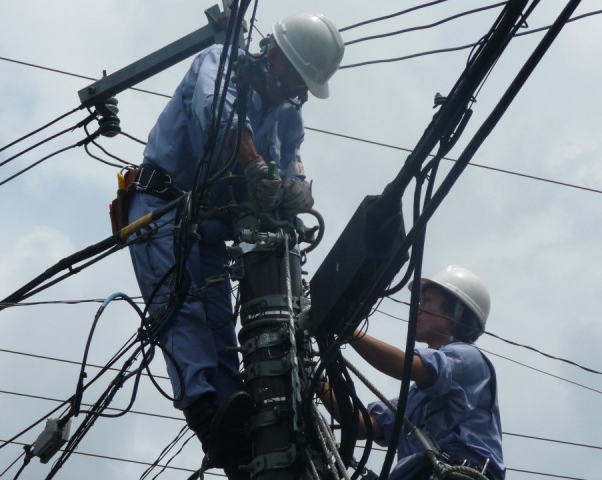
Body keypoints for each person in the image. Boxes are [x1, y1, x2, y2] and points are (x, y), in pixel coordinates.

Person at [126, 11, 345, 478]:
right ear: (275, 58)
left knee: (221, 327)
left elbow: (288, 169)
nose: (299, 93)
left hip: (208, 226)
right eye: (297, 79)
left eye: (307, 86)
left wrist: (293, 189)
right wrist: (254, 167)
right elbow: (220, 120)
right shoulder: (218, 63)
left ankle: (238, 439)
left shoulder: (288, 117)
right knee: (179, 309)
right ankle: (206, 416)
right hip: (160, 210)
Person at [320, 265, 505, 480]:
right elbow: (363, 426)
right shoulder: (417, 397)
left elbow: (404, 366)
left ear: (457, 311)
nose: (417, 308)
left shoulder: (468, 360)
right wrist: (317, 382)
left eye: (427, 301)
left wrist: (347, 329)